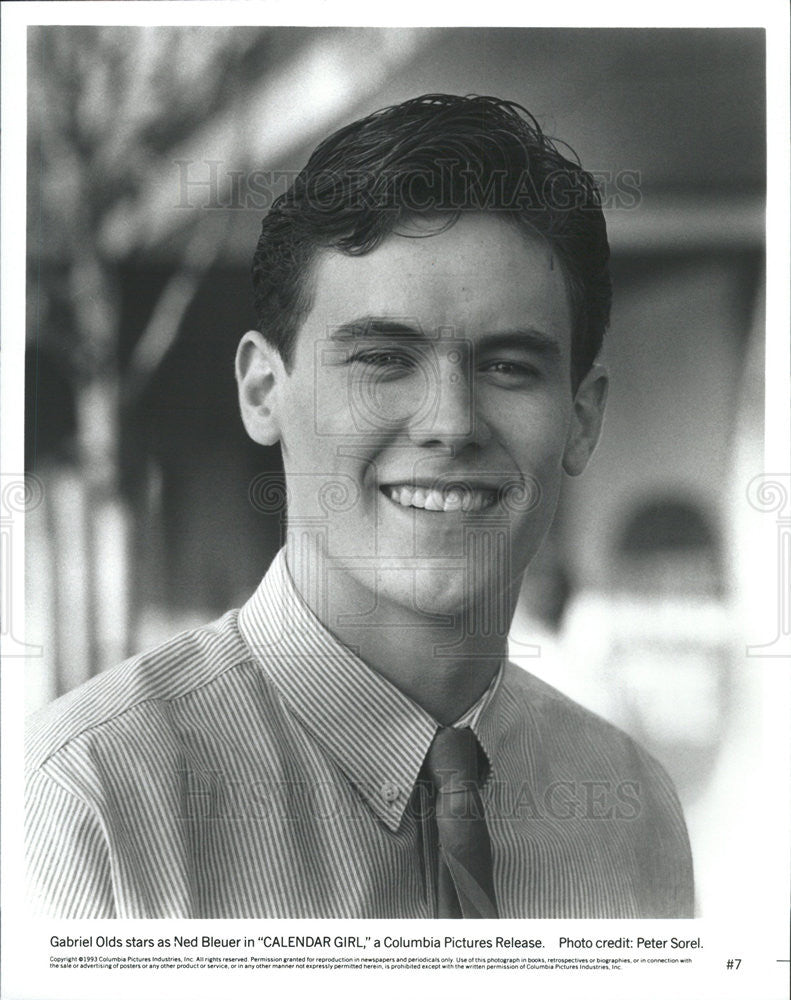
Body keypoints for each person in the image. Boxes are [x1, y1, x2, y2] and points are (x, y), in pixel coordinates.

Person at [25, 94, 694, 919]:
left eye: (509, 367)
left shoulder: (634, 812)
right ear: (265, 391)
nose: (450, 423)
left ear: (581, 418)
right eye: (383, 358)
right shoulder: (90, 807)